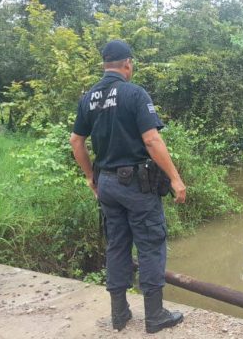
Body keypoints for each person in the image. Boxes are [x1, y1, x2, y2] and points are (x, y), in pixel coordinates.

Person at [70, 40, 186, 334]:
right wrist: (175, 178)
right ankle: (155, 315)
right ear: (128, 64)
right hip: (135, 184)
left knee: (117, 245)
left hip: (106, 183)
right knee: (150, 243)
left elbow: (76, 142)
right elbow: (151, 140)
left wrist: (89, 176)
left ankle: (119, 314)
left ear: (104, 65)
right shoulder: (135, 94)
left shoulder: (89, 98)